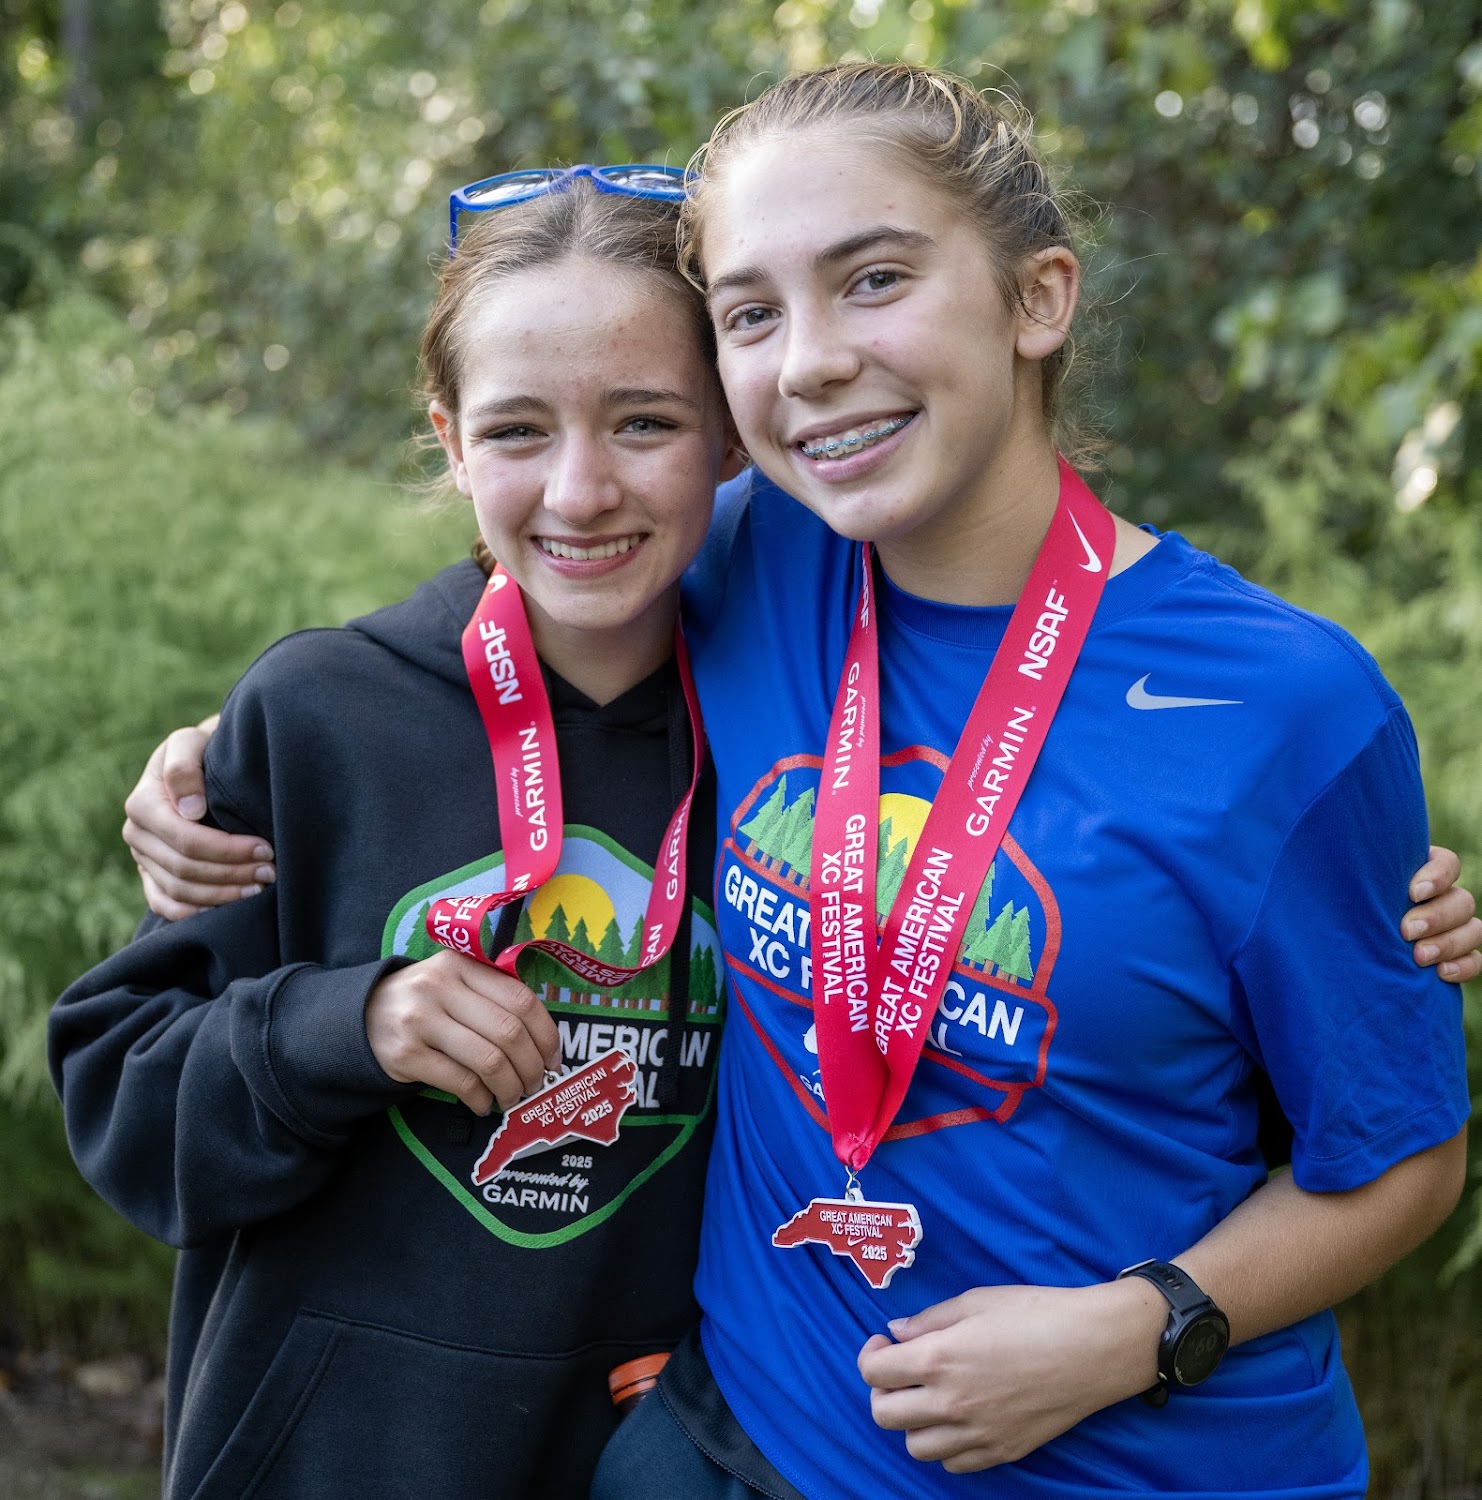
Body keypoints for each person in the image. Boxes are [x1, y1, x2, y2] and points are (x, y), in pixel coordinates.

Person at [119, 68, 1481, 1500]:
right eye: (751, 313)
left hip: (1139, 1467)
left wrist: (1134, 1331)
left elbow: (1400, 1159)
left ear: (1038, 299)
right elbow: (543, 556)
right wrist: (232, 748)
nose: (813, 361)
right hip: (737, 1437)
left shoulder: (1282, 708)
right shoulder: (756, 560)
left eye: (873, 279)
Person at [49, 171, 745, 1500]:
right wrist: (345, 1025)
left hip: (650, 1460)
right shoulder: (321, 711)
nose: (581, 489)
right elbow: (130, 1115)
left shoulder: (799, 736)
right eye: (517, 430)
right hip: (335, 1456)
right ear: (450, 441)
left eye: (645, 421)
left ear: (728, 434)